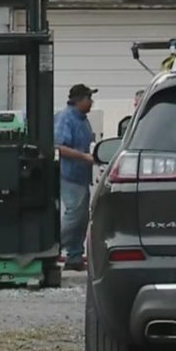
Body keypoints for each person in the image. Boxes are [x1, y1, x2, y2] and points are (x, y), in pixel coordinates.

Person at [55, 84, 97, 271]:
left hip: (80, 175)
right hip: (68, 174)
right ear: (79, 100)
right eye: (89, 98)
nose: (91, 102)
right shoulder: (66, 118)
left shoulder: (83, 119)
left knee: (82, 216)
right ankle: (51, 245)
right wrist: (84, 157)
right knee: (75, 213)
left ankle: (74, 256)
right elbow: (59, 147)